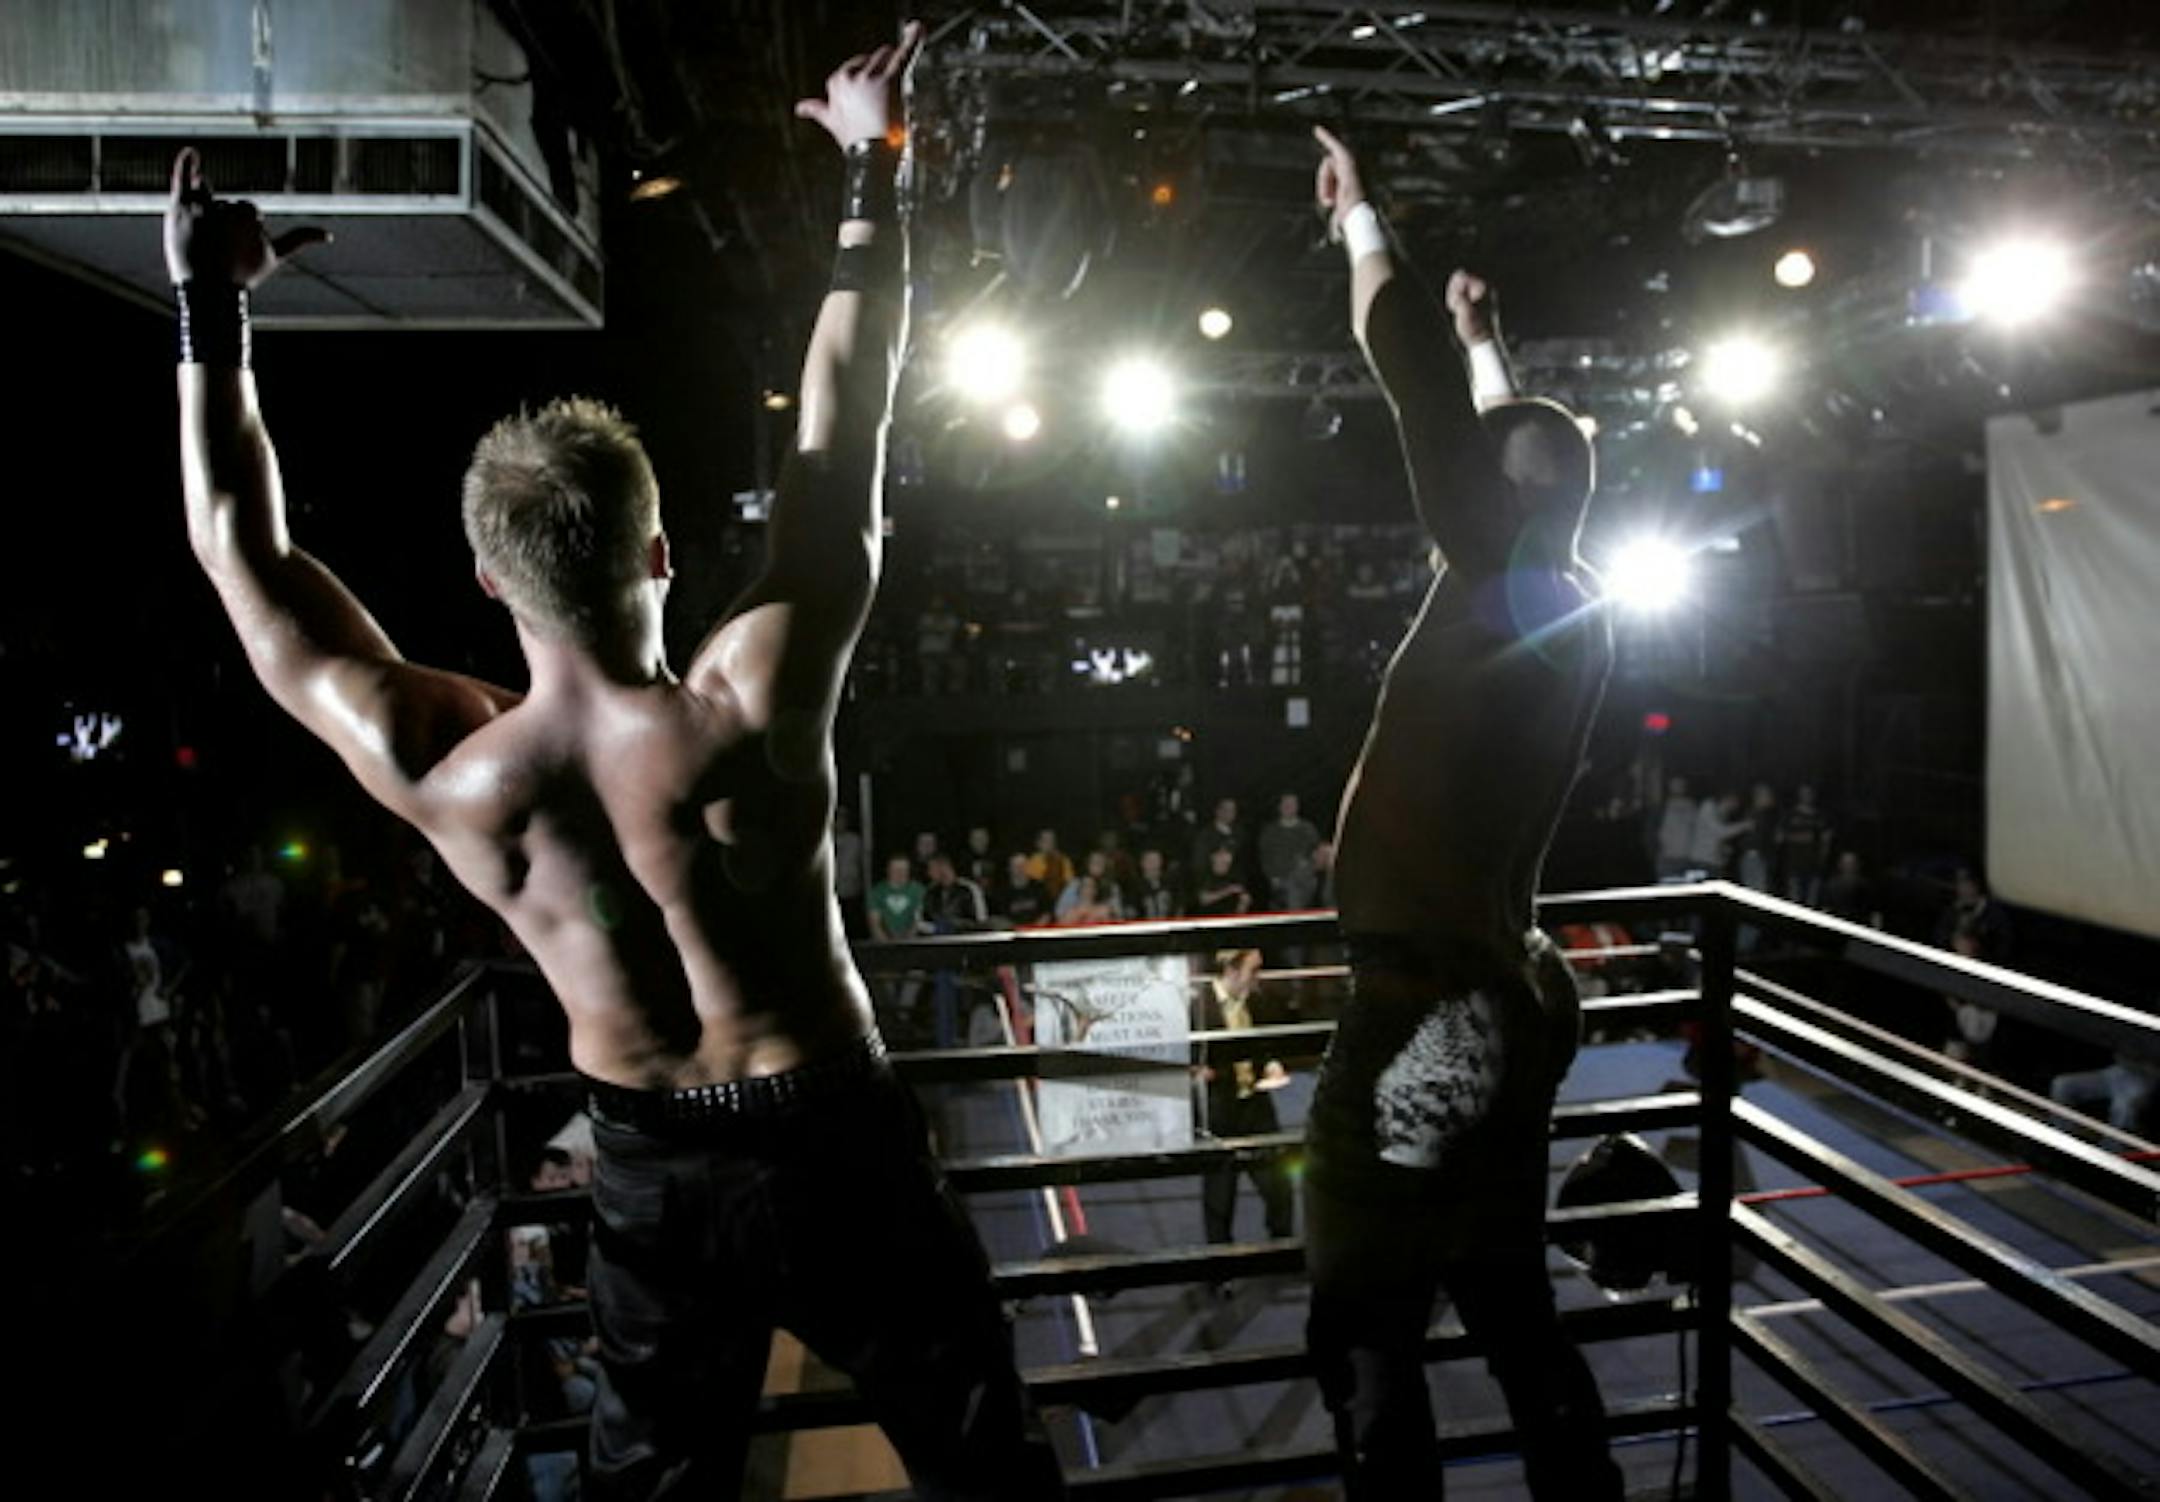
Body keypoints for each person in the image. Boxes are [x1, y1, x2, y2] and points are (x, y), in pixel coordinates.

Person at [165, 24, 1064, 1497]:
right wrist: (870, 172)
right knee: (981, 1457)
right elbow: (849, 433)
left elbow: (240, 553)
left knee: (655, 1486)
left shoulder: (451, 768)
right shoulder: (751, 694)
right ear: (661, 553)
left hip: (650, 1161)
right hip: (831, 1121)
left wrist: (211, 308)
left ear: (486, 582)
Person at [1299, 126, 1624, 1499]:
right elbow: (1526, 458)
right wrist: (1493, 342)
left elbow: (1412, 379)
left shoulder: (1494, 560)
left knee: (1365, 1318)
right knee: (1501, 1294)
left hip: (1431, 1012)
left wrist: (1360, 220)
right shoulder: (1576, 593)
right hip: (1509, 994)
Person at [1193, 949, 1294, 1245]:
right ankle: (1221, 1269)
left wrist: (1272, 1065)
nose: (1258, 978)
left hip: (1256, 1106)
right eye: (1254, 970)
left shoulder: (1257, 1000)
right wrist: (1194, 1071)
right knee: (1220, 1196)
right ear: (1232, 970)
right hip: (1219, 1111)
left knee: (1278, 1185)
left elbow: (1265, 1045)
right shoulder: (1198, 1006)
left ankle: (1281, 1248)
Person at [1258, 791, 1323, 912]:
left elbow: (1318, 854)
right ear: (1279, 807)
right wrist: (1272, 877)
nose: (1289, 807)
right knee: (1291, 892)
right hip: (1280, 879)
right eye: (1285, 804)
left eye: (1292, 804)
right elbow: (1264, 857)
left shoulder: (1308, 829)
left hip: (1305, 878)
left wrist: (1310, 866)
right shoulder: (1269, 831)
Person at [831, 806, 866, 938]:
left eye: (842, 819)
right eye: (837, 819)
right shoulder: (826, 840)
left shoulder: (855, 841)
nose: (839, 822)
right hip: (832, 890)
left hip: (851, 889)